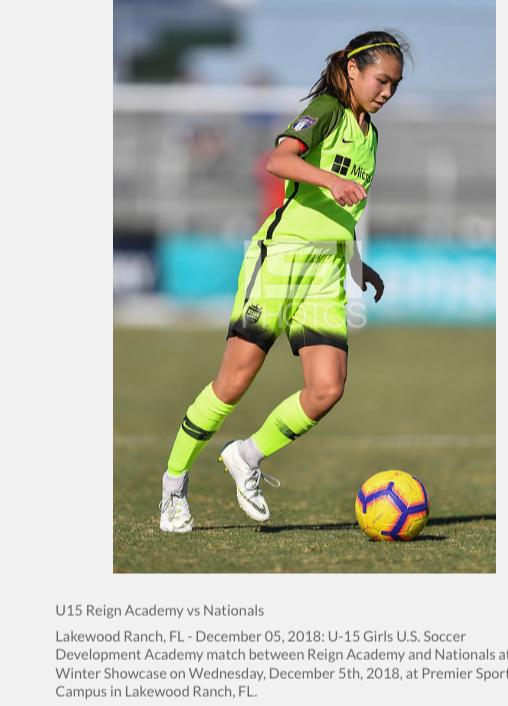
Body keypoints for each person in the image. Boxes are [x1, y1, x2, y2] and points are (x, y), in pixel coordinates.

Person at [160, 30, 409, 532]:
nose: (386, 92)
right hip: (281, 259)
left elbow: (343, 213)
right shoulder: (327, 109)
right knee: (233, 383)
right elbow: (279, 160)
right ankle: (173, 485)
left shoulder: (371, 136)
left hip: (327, 269)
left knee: (327, 389)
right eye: (381, 80)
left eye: (395, 85)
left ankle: (246, 456)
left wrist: (357, 264)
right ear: (354, 70)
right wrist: (331, 179)